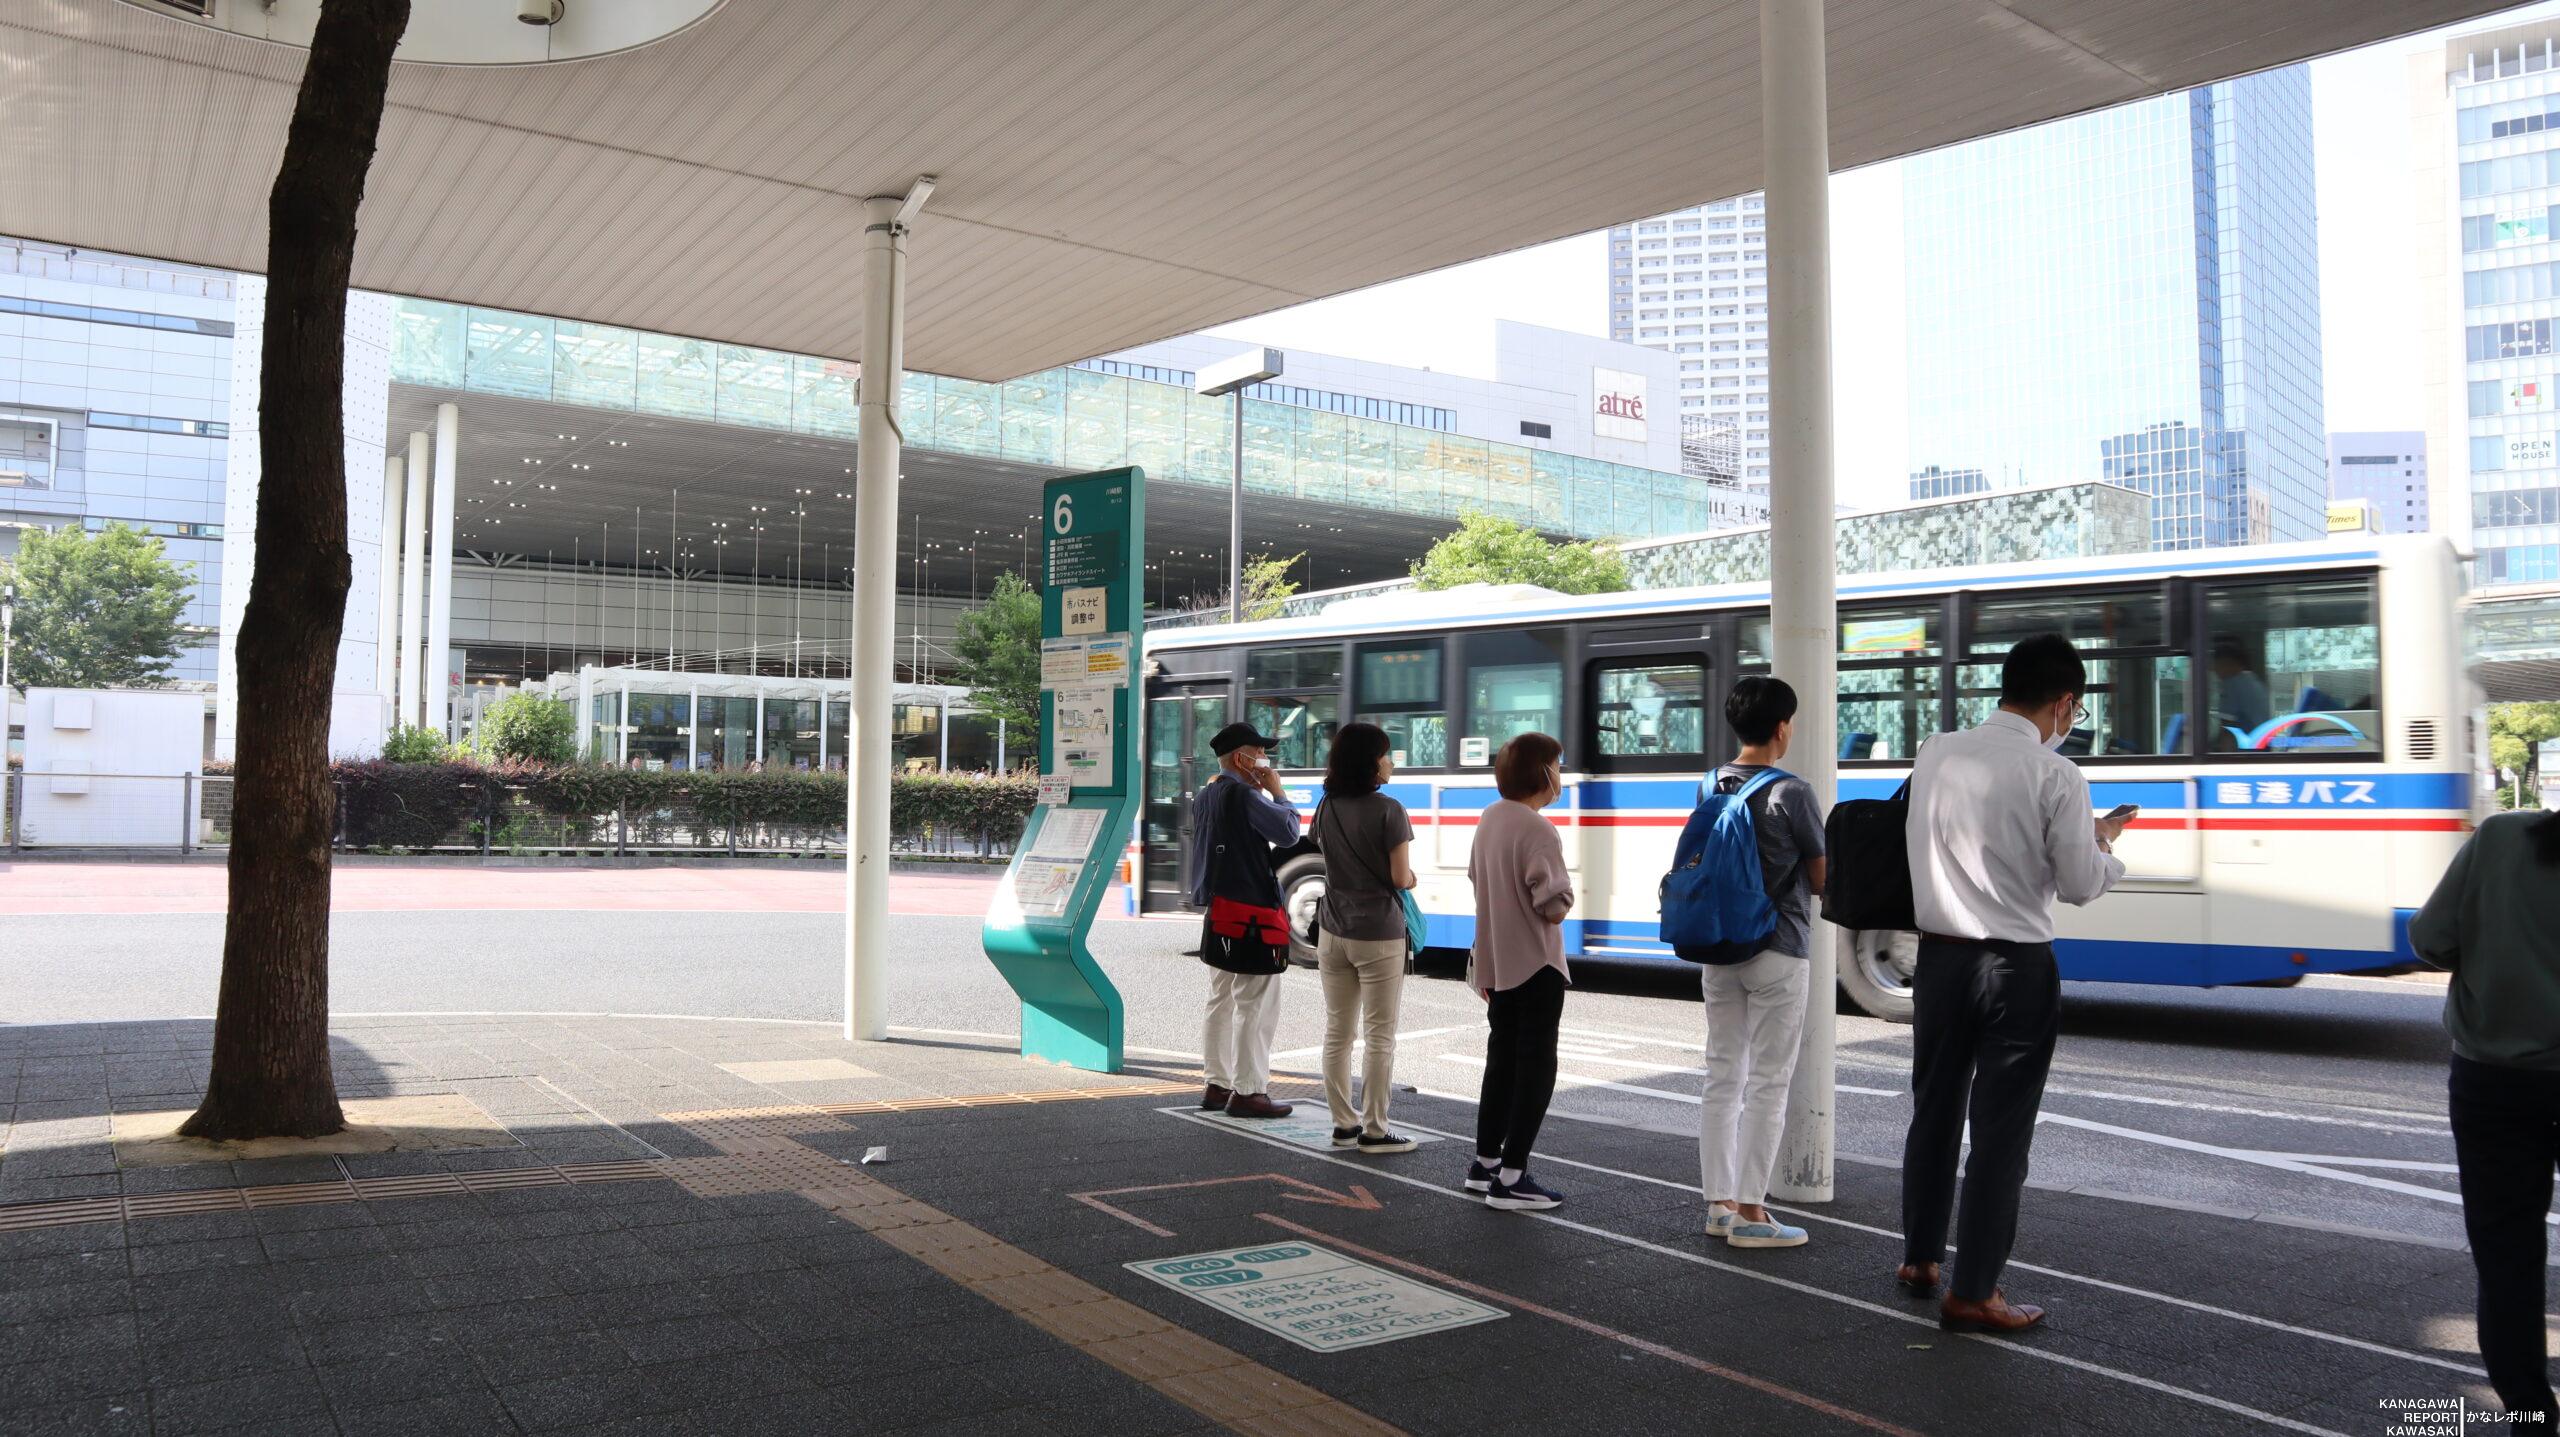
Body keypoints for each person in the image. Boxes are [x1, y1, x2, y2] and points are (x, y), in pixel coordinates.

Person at [1898, 633, 2127, 1333]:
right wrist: (2105, 845)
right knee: (2000, 1132)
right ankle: (1974, 1292)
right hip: (2015, 967)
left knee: (1934, 1107)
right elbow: (2082, 884)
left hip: (1937, 959)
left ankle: (1921, 1258)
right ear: (2063, 703)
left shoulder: (1936, 749)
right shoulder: (2058, 775)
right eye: (2075, 709)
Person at [2409, 808, 2560, 1423]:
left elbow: (2431, 938)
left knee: (2507, 1254)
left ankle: (2528, 1411)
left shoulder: (2503, 838)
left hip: (2495, 1081)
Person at [1697, 677, 1826, 1250]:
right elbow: (1821, 879)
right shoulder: (1792, 791)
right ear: (1781, 728)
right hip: (1777, 946)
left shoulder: (1708, 783)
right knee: (1769, 1082)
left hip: (1718, 946)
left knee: (1722, 1075)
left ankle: (1718, 1205)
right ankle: (1752, 1211)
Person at [1466, 731, 1574, 1210]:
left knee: (1502, 1061)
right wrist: (1564, 896)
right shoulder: (1537, 828)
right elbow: (1552, 905)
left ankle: (1485, 1163)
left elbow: (1476, 878)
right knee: (1536, 1067)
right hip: (1537, 961)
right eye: (1559, 766)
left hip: (1496, 961)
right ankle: (1513, 1178)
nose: (1562, 775)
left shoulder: (1490, 817)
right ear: (1544, 773)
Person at [1312, 722, 1419, 1154]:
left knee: (1338, 1032)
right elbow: (1399, 876)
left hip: (1332, 931)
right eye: (1386, 754)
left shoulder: (1326, 806)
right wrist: (1411, 878)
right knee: (1379, 1035)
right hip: (1378, 934)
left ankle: (1343, 1123)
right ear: (1371, 762)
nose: (1391, 762)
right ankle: (1375, 1130)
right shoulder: (1389, 810)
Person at [1192, 721, 1302, 1120]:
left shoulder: (1205, 795)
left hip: (1218, 911)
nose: (1265, 759)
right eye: (1260, 752)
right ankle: (1250, 1091)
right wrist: (1277, 791)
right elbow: (1289, 833)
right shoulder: (1245, 795)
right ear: (1241, 758)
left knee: (1220, 999)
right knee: (1254, 1003)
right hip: (1252, 911)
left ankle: (1217, 1084)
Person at [2209, 636, 2271, 737]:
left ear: (2227, 663)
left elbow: (2228, 728)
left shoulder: (2233, 684)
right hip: (2260, 743)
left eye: (2217, 664)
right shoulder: (2252, 680)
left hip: (2247, 746)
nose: (2214, 670)